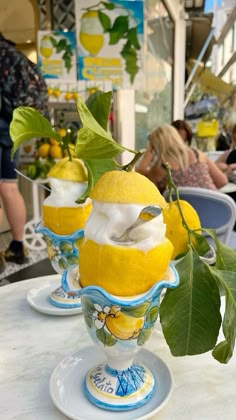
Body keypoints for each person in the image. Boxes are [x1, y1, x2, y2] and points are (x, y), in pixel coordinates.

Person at [0, 33, 49, 265]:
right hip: (13, 128)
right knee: (9, 186)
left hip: (1, 125)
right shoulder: (16, 56)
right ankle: (18, 246)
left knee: (5, 187)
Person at [136, 124, 228, 194]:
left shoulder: (157, 170)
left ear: (154, 146)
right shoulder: (198, 154)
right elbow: (222, 181)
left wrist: (148, 152)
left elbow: (153, 198)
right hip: (217, 214)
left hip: (182, 217)